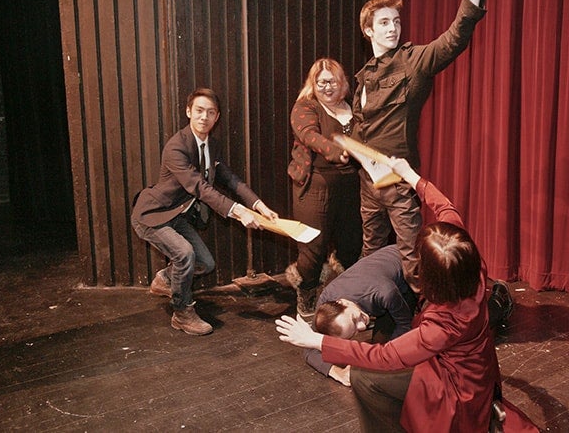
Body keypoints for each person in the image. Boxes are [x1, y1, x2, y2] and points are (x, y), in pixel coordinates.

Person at [276, 157, 537, 433]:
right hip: (475, 365)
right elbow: (445, 207)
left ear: (432, 277)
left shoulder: (445, 324)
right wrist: (409, 175)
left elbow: (386, 356)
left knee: (365, 378)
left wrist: (317, 340)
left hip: (456, 386)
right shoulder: (468, 262)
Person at [352, 0, 488, 291]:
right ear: (368, 30)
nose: (393, 28)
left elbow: (453, 39)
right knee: (370, 254)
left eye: (396, 22)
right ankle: (374, 308)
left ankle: (427, 315)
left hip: (399, 180)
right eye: (384, 23)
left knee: (413, 258)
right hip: (368, 182)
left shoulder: (412, 61)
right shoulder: (364, 76)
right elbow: (359, 130)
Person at [131, 87, 278, 336]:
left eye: (210, 112)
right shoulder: (176, 147)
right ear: (189, 111)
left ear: (217, 117)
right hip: (152, 215)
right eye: (199, 110)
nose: (204, 117)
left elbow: (229, 179)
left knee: (205, 263)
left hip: (176, 215)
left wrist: (257, 205)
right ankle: (182, 313)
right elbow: (199, 187)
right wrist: (238, 212)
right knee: (185, 254)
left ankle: (166, 280)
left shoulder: (211, 145)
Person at [286, 58, 362, 319]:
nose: (327, 87)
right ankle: (306, 298)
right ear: (313, 84)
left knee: (351, 245)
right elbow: (309, 135)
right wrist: (334, 150)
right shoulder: (305, 106)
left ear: (342, 83)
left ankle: (343, 297)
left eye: (332, 82)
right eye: (321, 82)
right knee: (313, 248)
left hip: (351, 188)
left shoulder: (352, 108)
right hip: (315, 186)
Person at [305, 244, 417, 386]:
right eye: (355, 332)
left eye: (354, 319)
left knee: (386, 355)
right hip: (381, 299)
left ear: (343, 302)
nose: (362, 326)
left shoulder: (383, 292)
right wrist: (337, 372)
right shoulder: (326, 303)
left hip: (410, 267)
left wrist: (385, 356)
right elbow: (309, 350)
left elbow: (405, 325)